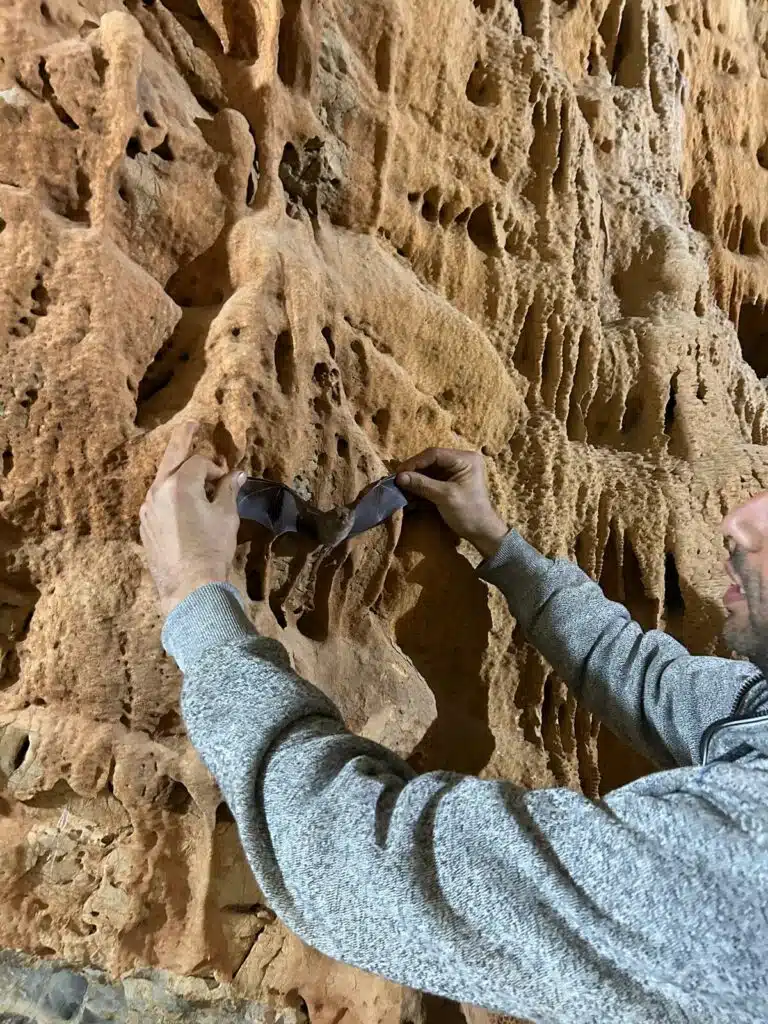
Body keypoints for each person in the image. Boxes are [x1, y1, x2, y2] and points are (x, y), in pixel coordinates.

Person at [140, 421, 768, 1023]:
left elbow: (359, 869)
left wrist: (194, 590)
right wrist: (496, 539)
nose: (737, 520)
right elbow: (649, 682)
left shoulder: (744, 864)